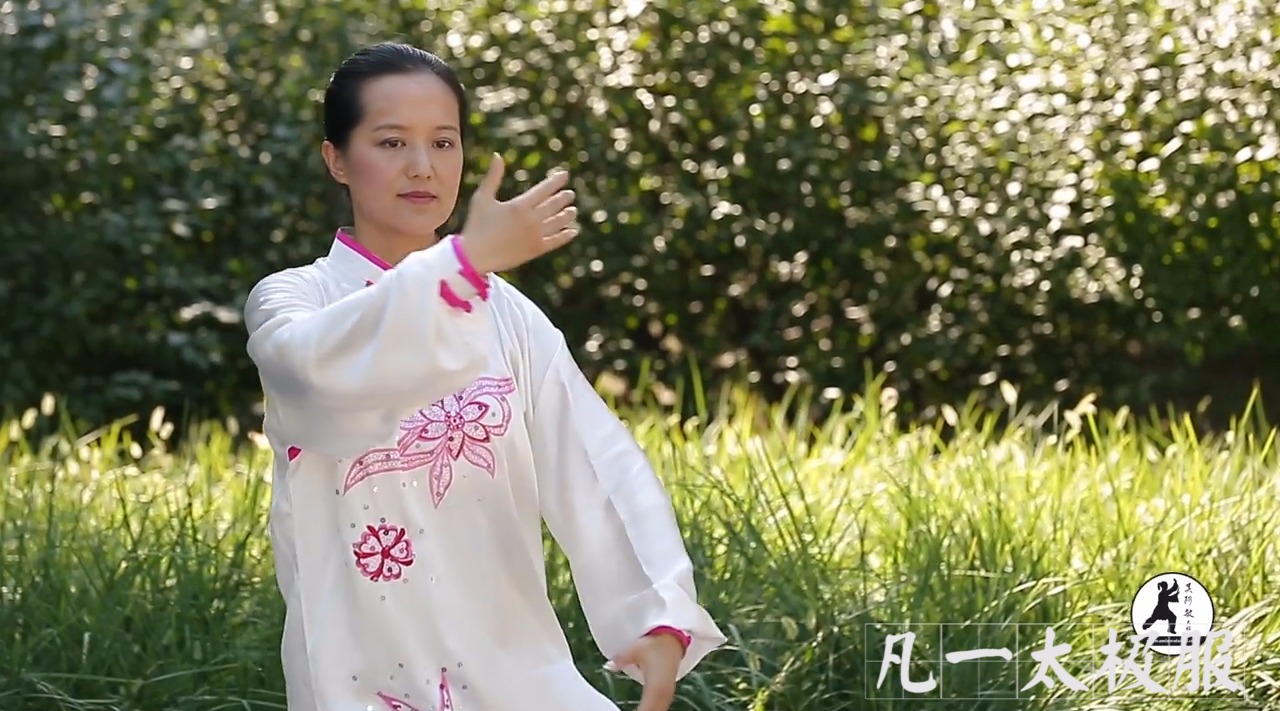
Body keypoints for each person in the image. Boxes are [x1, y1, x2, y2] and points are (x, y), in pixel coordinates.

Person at [241, 41, 726, 711]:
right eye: (391, 142)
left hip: (518, 673)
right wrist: (460, 266)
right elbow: (318, 376)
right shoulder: (295, 300)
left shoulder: (510, 316)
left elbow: (596, 465)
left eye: (444, 143)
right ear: (337, 159)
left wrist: (657, 613)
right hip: (364, 680)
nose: (422, 166)